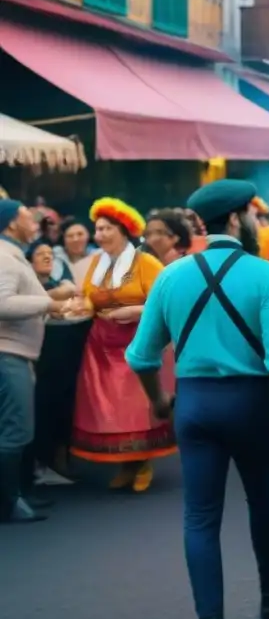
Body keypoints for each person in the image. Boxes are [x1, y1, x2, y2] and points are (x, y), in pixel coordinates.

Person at [125, 179, 269, 619]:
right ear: (237, 217)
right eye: (253, 215)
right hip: (249, 403)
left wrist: (159, 401)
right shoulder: (264, 274)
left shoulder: (170, 275)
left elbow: (141, 356)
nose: (258, 222)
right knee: (263, 495)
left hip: (195, 405)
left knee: (200, 515)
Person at [69, 197, 175, 492]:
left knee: (136, 404)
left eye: (105, 229)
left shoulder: (146, 263)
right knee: (111, 407)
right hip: (101, 344)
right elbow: (92, 296)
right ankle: (127, 464)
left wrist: (134, 311)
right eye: (98, 229)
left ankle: (141, 462)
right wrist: (83, 306)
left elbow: (164, 303)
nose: (99, 234)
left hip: (137, 342)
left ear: (123, 230)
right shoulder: (95, 265)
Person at [0, 200, 73, 523]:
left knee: (16, 428)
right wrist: (49, 305)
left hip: (17, 353)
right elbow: (3, 303)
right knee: (16, 430)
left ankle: (18, 494)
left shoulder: (12, 254)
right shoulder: (4, 255)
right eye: (29, 218)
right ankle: (9, 502)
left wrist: (49, 299)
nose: (36, 223)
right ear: (12, 223)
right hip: (8, 353)